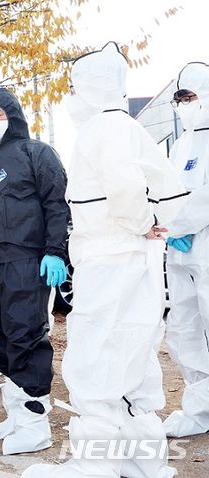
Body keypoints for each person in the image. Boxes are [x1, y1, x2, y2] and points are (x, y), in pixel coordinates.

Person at [22, 42, 186, 478]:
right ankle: (143, 460)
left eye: (75, 88)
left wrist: (139, 222)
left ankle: (94, 464)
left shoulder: (102, 129)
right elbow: (161, 187)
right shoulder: (128, 127)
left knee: (97, 357)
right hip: (134, 258)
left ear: (91, 89)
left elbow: (125, 186)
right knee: (134, 360)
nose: (72, 98)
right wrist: (151, 223)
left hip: (112, 257)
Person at [0, 87, 70, 455]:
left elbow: (56, 204)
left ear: (14, 116)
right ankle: (16, 414)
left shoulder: (38, 154)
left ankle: (35, 424)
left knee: (24, 337)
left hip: (24, 261)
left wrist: (55, 251)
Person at [163, 62, 209, 438]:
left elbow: (204, 198)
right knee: (183, 328)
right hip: (178, 252)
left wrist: (172, 225)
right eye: (179, 99)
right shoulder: (179, 146)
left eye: (189, 97)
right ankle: (199, 408)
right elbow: (166, 193)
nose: (183, 104)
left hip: (205, 247)